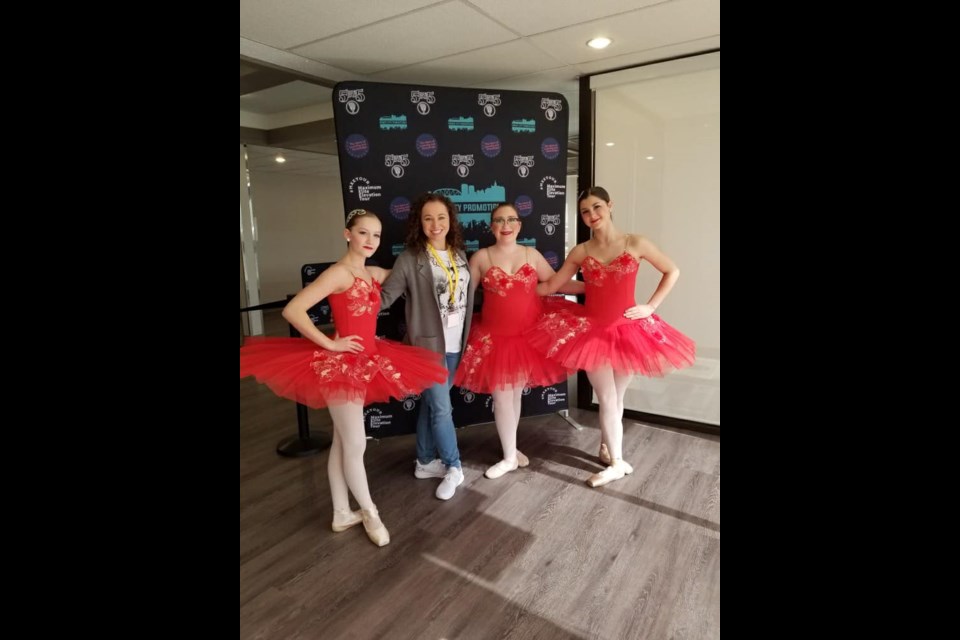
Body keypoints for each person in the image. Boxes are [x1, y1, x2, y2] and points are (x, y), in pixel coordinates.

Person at [239, 209, 448, 546]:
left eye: (376, 235)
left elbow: (408, 269)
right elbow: (292, 311)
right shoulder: (338, 273)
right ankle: (370, 512)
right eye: (363, 233)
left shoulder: (372, 273)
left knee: (341, 442)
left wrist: (432, 241)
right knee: (355, 444)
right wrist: (330, 344)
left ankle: (341, 513)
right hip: (340, 366)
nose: (370, 241)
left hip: (368, 359)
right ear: (347, 234)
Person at [534, 187, 696, 488]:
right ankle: (618, 463)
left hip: (629, 330)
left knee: (616, 398)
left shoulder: (635, 242)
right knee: (607, 396)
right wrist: (519, 288)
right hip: (593, 331)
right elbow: (555, 284)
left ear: (610, 206)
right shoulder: (581, 251)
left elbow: (671, 270)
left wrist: (650, 306)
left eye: (597, 207)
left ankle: (608, 449)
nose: (592, 215)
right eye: (585, 211)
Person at [454, 203, 584, 479]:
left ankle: (510, 451)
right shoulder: (481, 258)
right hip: (495, 338)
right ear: (492, 226)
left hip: (528, 337)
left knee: (514, 396)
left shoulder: (531, 254)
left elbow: (556, 283)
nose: (505, 225)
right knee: (503, 399)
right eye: (499, 220)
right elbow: (463, 298)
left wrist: (592, 287)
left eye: (511, 219)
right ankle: (509, 455)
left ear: (519, 225)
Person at [379, 193, 474, 500]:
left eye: (441, 217)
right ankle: (453, 465)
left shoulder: (460, 254)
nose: (435, 224)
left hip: (456, 342)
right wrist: (352, 281)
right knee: (442, 409)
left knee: (432, 405)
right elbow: (384, 298)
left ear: (450, 221)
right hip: (427, 347)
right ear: (419, 223)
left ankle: (423, 462)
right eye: (428, 218)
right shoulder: (410, 258)